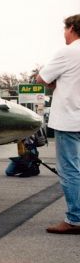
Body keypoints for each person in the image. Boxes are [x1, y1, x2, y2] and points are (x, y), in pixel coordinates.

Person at [36, 13, 80, 234]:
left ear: (71, 28)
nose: (64, 33)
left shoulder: (68, 51)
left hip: (70, 121)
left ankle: (75, 219)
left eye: (65, 29)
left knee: (70, 170)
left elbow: (41, 78)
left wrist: (56, 82)